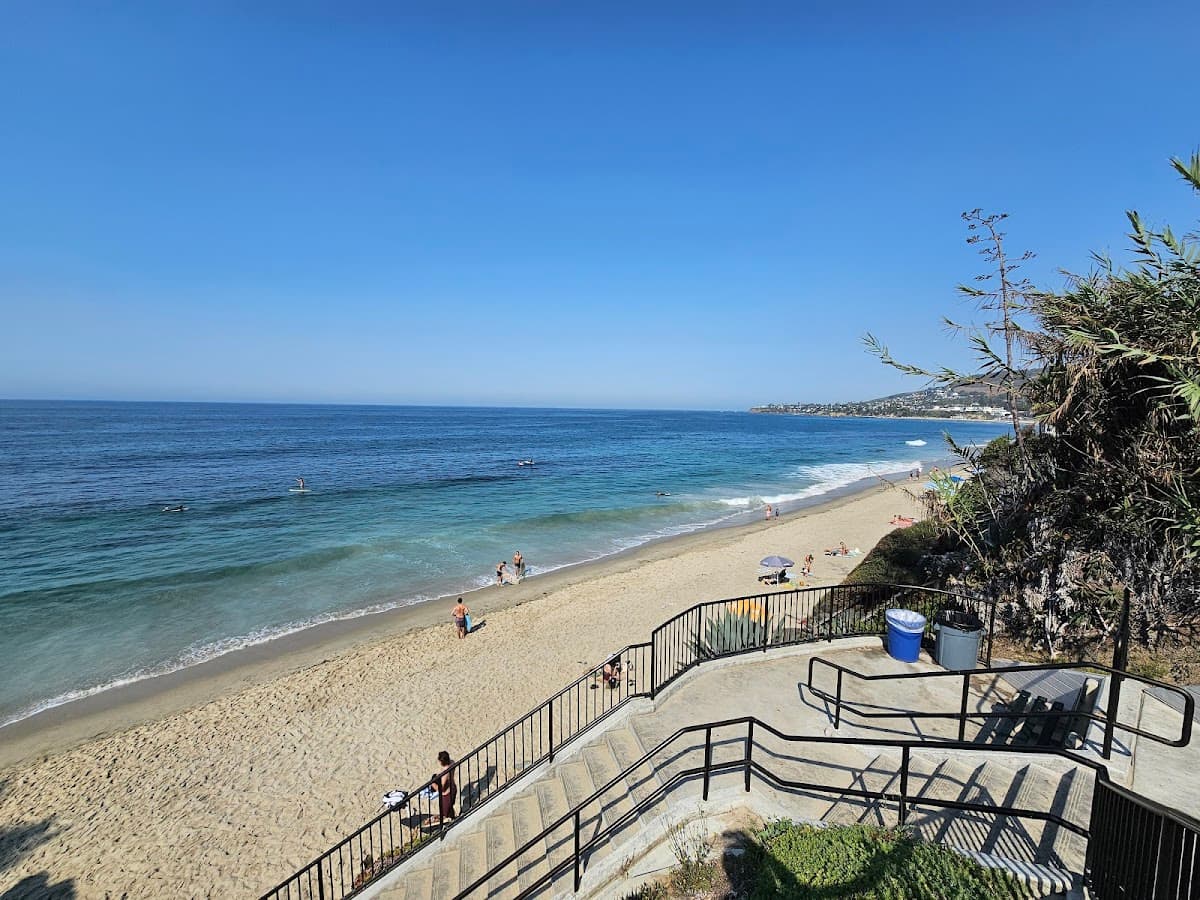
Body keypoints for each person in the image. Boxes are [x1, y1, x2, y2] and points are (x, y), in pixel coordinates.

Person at [430, 751, 457, 823]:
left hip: (447, 794)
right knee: (450, 808)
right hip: (453, 788)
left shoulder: (445, 775)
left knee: (445, 814)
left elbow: (441, 789)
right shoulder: (452, 763)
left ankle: (450, 824)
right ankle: (454, 819)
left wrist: (432, 783)